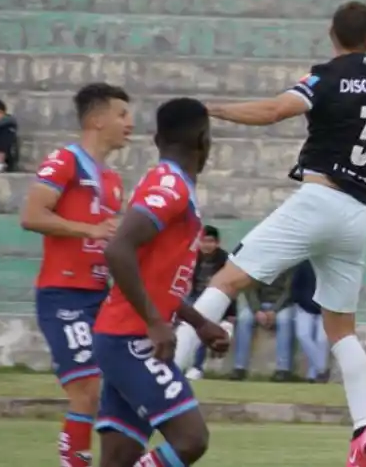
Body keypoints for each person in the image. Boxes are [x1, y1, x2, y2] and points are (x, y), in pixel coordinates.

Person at [171, 1, 366, 467]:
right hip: (357, 214)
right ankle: (362, 429)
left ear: (333, 34)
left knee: (225, 282)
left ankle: (167, 384)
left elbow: (272, 111)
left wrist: (212, 109)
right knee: (341, 328)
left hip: (318, 199)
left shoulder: (325, 77)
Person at [92, 97, 231, 467]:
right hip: (131, 339)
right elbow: (118, 249)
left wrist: (198, 323)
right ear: (205, 140)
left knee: (118, 459)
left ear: (157, 140)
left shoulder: (172, 184)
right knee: (190, 440)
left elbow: (157, 279)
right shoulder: (171, 185)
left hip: (123, 336)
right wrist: (155, 321)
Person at [19, 83, 132, 467]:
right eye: (122, 114)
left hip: (101, 295)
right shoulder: (64, 161)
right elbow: (32, 216)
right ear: (96, 119)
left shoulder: (114, 180)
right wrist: (91, 229)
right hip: (63, 294)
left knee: (114, 389)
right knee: (86, 389)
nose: (129, 124)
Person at [184, 225, 235, 381]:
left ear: (217, 243)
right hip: (194, 297)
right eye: (203, 241)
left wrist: (231, 314)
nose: (207, 245)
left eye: (210, 241)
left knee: (202, 322)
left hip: (216, 299)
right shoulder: (193, 257)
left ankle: (196, 367)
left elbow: (232, 286)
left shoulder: (225, 260)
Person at [231, 270, 297, 382]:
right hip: (258, 304)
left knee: (284, 320)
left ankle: (283, 369)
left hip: (282, 306)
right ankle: (239, 368)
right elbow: (249, 289)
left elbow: (288, 292)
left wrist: (274, 311)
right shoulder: (259, 264)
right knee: (243, 319)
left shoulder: (289, 265)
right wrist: (257, 310)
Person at [292, 259, 331, 382]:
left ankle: (313, 375)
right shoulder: (304, 264)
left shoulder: (331, 266)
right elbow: (295, 286)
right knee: (303, 335)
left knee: (321, 340)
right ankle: (322, 369)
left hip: (326, 309)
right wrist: (301, 301)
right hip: (304, 307)